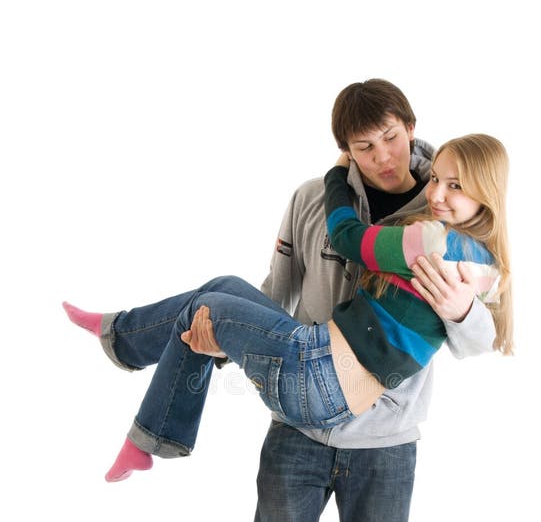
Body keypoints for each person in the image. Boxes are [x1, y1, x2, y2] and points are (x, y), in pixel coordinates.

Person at [64, 80, 501, 522]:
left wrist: (459, 310)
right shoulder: (308, 199)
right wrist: (228, 343)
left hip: (384, 441)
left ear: (410, 127)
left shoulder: (444, 209)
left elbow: (480, 335)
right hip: (300, 419)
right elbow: (274, 295)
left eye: (392, 137)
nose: (384, 156)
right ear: (345, 148)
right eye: (363, 147)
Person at [63, 132, 511, 484]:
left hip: (318, 380)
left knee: (210, 304)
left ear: (484, 193)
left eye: (456, 186)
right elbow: (485, 333)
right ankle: (120, 340)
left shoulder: (431, 238)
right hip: (320, 369)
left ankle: (148, 426)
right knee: (225, 287)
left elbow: (348, 238)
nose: (437, 195)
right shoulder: (488, 267)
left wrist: (337, 174)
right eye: (436, 179)